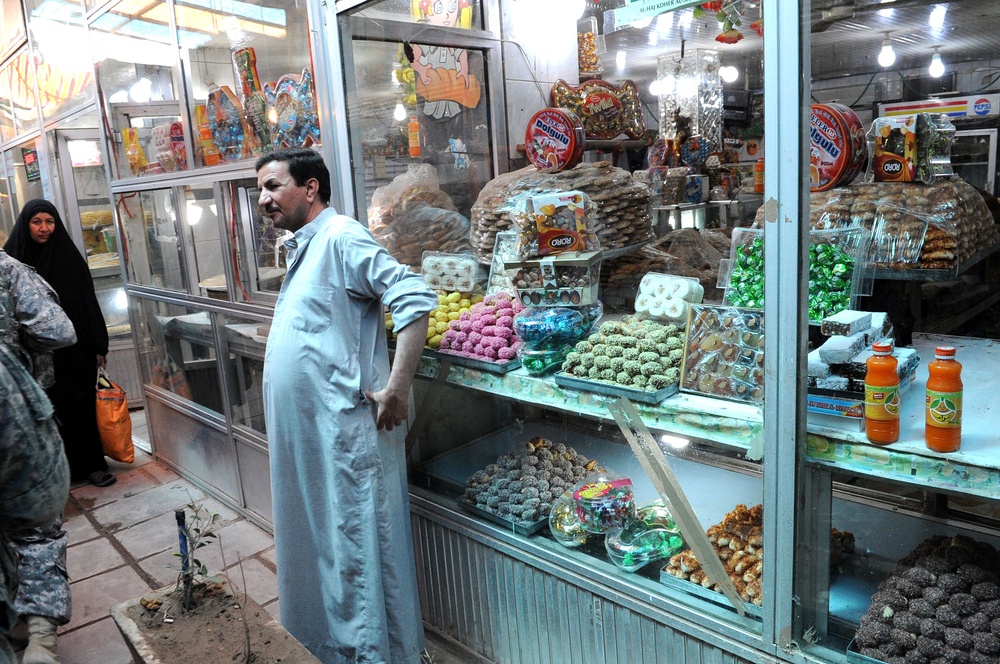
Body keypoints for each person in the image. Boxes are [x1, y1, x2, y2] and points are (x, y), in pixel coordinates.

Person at [256, 147, 437, 663]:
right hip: (314, 436)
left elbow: (414, 297)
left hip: (345, 434)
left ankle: (372, 653)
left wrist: (398, 387)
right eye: (260, 190)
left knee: (353, 548)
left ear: (310, 188)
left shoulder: (342, 236)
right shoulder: (306, 244)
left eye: (273, 186)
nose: (263, 199)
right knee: (323, 547)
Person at [3, 200, 115, 487]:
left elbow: (89, 302)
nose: (44, 228)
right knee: (47, 412)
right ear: (26, 224)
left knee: (80, 407)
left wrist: (99, 345)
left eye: (49, 221)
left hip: (74, 351)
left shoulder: (69, 258)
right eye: (37, 222)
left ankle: (92, 465)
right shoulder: (13, 263)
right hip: (34, 356)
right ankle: (56, 474)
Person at [1, 249, 77, 664]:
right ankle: (41, 642)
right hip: (12, 409)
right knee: (36, 529)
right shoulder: (8, 269)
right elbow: (57, 331)